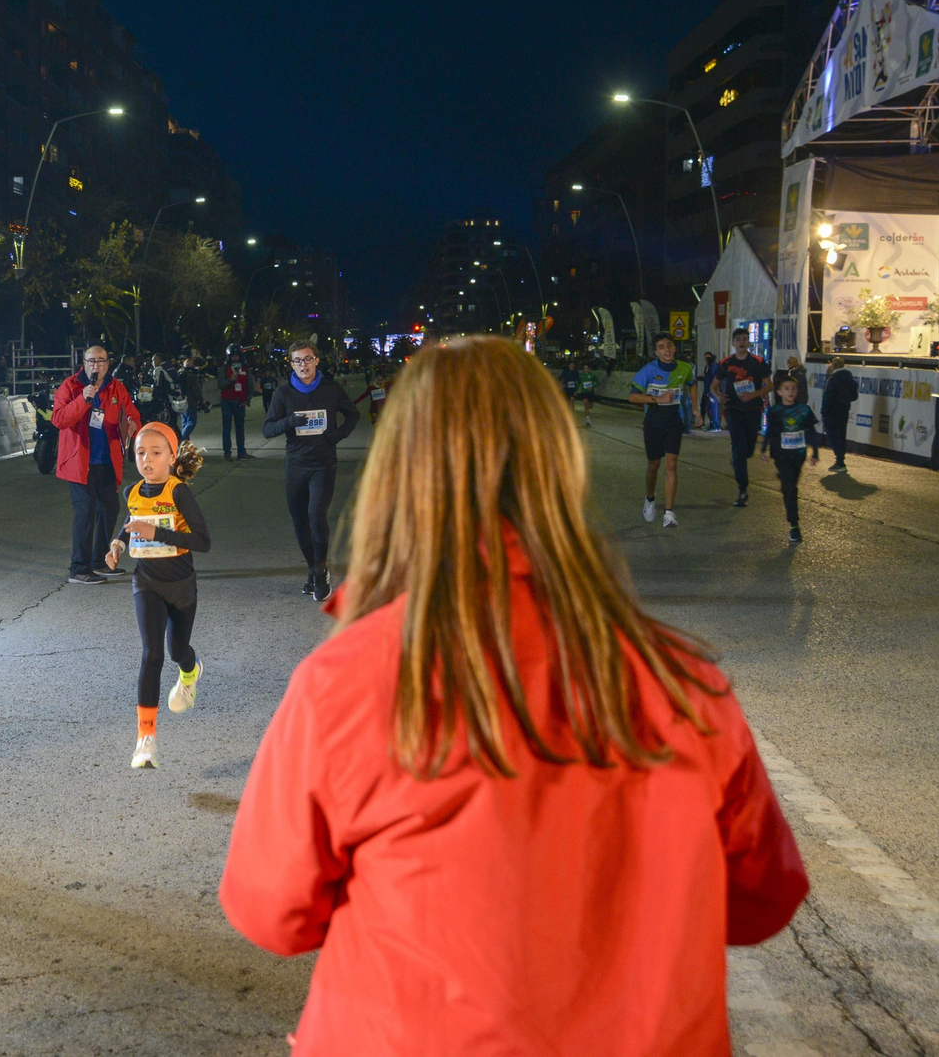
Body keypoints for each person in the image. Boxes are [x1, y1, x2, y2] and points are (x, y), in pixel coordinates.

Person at [220, 336, 808, 1057]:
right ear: (555, 463)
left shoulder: (346, 680)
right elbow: (760, 904)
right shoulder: (683, 683)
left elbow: (273, 913)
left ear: (400, 473)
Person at [103, 423, 210, 769]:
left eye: (155, 453)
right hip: (146, 581)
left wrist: (158, 533)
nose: (147, 460)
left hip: (181, 586)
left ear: (172, 457)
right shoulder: (131, 491)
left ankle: (191, 673)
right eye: (140, 453)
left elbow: (203, 542)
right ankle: (145, 741)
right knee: (152, 656)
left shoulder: (179, 493)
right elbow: (133, 520)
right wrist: (119, 542)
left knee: (177, 650)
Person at [262, 341, 361, 600]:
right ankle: (312, 568)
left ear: (317, 360)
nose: (303, 365)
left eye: (307, 359)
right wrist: (288, 422)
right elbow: (267, 429)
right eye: (297, 361)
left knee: (316, 517)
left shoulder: (331, 389)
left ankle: (320, 572)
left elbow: (353, 415)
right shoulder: (283, 394)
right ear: (291, 364)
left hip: (323, 463)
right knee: (299, 521)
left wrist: (336, 435)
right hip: (296, 465)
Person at [52, 344, 142, 584]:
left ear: (108, 363)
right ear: (84, 362)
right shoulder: (71, 386)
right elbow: (59, 419)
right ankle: (78, 569)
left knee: (110, 509)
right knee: (86, 513)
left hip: (107, 461)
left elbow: (132, 414)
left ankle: (98, 562)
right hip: (79, 463)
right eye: (92, 361)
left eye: (101, 361)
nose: (96, 365)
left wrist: (133, 426)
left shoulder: (116, 387)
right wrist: (83, 399)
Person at [628, 333, 702, 528]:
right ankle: (650, 499)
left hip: (673, 422)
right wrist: (657, 399)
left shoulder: (685, 368)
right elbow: (633, 397)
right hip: (653, 422)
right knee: (654, 464)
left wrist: (695, 409)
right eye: (661, 347)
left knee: (671, 464)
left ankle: (669, 513)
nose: (667, 350)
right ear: (656, 352)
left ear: (675, 348)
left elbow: (692, 385)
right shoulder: (649, 370)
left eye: (669, 345)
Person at [762, 370, 819, 544]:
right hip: (781, 454)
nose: (790, 392)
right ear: (779, 392)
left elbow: (812, 431)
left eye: (793, 388)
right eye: (786, 388)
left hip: (798, 454)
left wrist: (814, 452)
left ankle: (785, 484)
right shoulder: (775, 411)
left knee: (791, 485)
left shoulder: (804, 410)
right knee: (791, 490)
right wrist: (764, 449)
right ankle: (794, 525)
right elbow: (770, 432)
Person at [718, 328, 771, 507]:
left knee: (748, 449)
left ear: (749, 343)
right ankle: (742, 489)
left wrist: (754, 394)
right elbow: (713, 385)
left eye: (745, 339)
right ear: (733, 343)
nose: (741, 342)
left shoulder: (758, 362)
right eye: (738, 339)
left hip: (753, 409)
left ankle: (738, 457)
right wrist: (718, 396)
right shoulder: (726, 363)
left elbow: (769, 386)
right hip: (733, 409)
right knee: (739, 449)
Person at [820, 355, 860, 472]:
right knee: (841, 435)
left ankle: (839, 462)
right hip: (844, 411)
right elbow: (854, 396)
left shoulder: (832, 380)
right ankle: (841, 460)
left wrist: (824, 412)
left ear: (834, 366)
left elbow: (827, 398)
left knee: (833, 436)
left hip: (832, 412)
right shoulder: (850, 379)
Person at [218, 347, 253, 461]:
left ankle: (241, 452)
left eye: (237, 355)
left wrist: (247, 399)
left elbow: (250, 384)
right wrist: (230, 380)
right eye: (233, 356)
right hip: (227, 401)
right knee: (226, 428)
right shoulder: (224, 368)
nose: (235, 358)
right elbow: (220, 384)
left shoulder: (245, 368)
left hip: (240, 402)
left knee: (240, 428)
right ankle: (227, 453)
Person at [176, 356, 205, 440]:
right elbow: (196, 389)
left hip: (180, 400)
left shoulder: (179, 372)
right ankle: (182, 438)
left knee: (184, 422)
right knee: (191, 422)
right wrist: (201, 399)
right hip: (190, 401)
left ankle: (186, 444)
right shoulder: (192, 375)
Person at [576, 362, 598, 427]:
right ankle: (588, 420)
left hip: (591, 393)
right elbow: (578, 383)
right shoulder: (581, 375)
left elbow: (597, 382)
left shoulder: (592, 375)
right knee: (585, 404)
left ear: (589, 369)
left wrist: (592, 387)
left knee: (590, 406)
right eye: (584, 368)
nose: (585, 369)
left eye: (587, 368)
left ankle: (588, 410)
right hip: (584, 392)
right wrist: (576, 390)